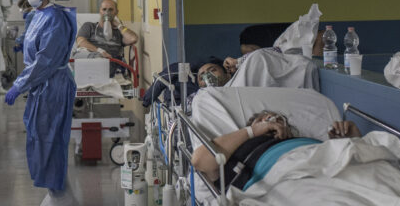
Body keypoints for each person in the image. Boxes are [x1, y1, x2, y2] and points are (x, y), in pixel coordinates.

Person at [3, 0, 79, 206]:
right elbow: (32, 43)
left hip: (53, 84)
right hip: (43, 86)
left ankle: (61, 201)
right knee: (41, 138)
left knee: (50, 141)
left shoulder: (55, 19)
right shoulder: (38, 15)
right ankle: (59, 192)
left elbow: (44, 61)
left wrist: (19, 85)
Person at [191, 110, 360, 191]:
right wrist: (252, 132)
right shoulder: (238, 150)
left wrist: (349, 142)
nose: (272, 121)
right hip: (288, 176)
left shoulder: (300, 139)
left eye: (277, 119)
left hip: (323, 157)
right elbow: (200, 161)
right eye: (264, 120)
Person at [75, 0, 138, 72]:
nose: (107, 12)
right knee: (78, 56)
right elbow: (80, 42)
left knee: (106, 63)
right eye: (104, 9)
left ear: (116, 12)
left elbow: (133, 39)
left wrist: (119, 25)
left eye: (111, 10)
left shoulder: (119, 32)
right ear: (100, 11)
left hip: (109, 63)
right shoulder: (89, 26)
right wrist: (99, 51)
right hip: (89, 60)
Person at [141, 58, 227, 110]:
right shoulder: (195, 100)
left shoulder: (234, 87)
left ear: (227, 74)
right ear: (199, 84)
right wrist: (147, 99)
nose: (208, 77)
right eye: (202, 77)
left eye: (212, 71)